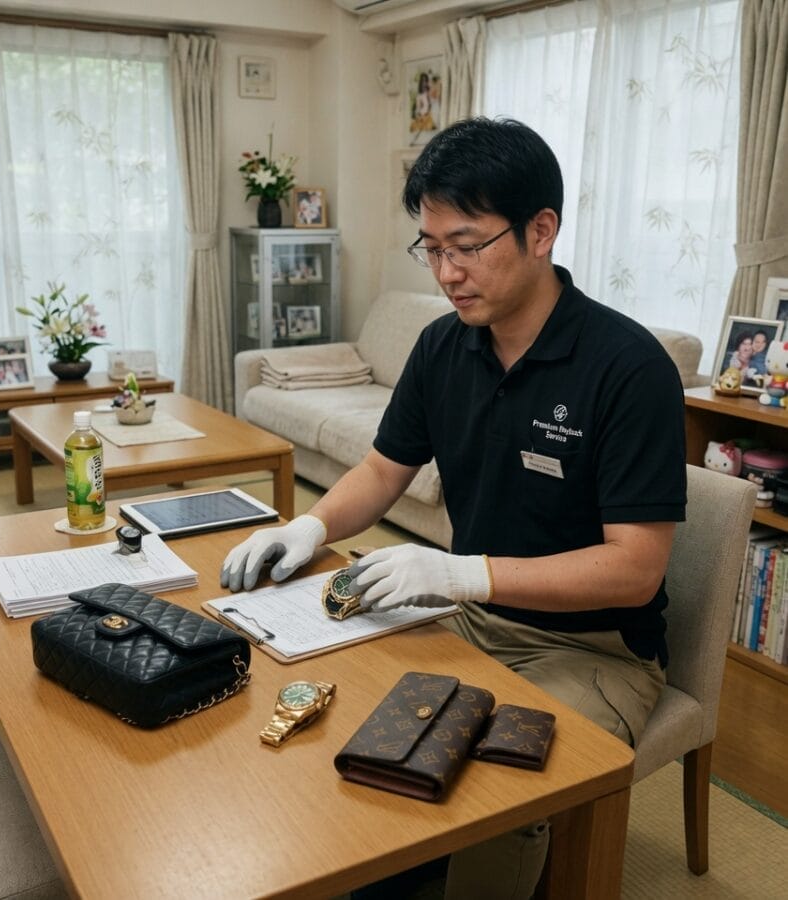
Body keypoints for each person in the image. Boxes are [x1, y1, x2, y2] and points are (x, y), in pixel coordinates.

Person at [220, 116, 686, 900]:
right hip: (467, 617)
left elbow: (636, 569)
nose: (447, 272)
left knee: (500, 788)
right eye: (431, 248)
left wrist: (462, 574)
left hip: (590, 649)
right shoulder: (444, 346)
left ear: (541, 232)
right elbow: (383, 468)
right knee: (340, 704)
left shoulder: (628, 368)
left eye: (467, 246)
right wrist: (310, 525)